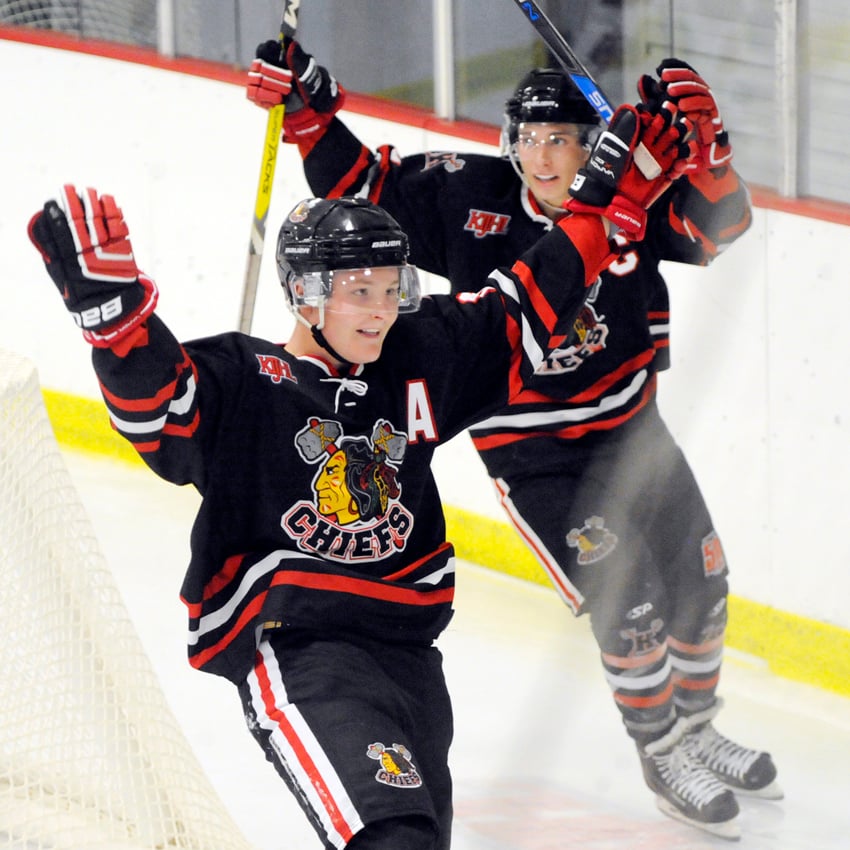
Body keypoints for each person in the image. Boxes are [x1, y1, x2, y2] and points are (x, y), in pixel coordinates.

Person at [26, 106, 686, 850]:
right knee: (391, 838)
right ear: (305, 293)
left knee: (419, 838)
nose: (378, 312)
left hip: (410, 652)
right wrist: (117, 324)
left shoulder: (418, 353)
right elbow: (163, 420)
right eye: (356, 291)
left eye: (388, 288)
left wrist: (606, 210)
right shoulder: (249, 378)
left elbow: (520, 305)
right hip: (305, 649)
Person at [246, 39, 782, 840]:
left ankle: (697, 727)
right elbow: (364, 190)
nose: (541, 155)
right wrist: (313, 107)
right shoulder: (472, 197)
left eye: (561, 137)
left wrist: (712, 153)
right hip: (536, 460)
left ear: (590, 144)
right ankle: (663, 750)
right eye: (528, 137)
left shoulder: (633, 194)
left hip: (635, 433)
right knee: (628, 602)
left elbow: (721, 226)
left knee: (702, 581)